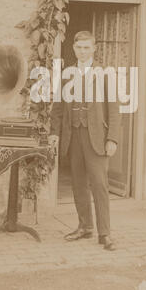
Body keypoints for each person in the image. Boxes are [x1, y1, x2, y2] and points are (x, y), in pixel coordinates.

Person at [50, 31, 121, 251]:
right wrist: (54, 132)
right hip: (74, 136)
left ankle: (105, 234)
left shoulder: (105, 74)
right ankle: (84, 226)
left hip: (96, 138)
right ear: (74, 49)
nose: (82, 51)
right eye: (79, 47)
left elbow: (115, 110)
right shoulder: (67, 74)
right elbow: (58, 107)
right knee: (78, 183)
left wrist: (112, 139)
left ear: (94, 48)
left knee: (99, 185)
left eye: (86, 48)